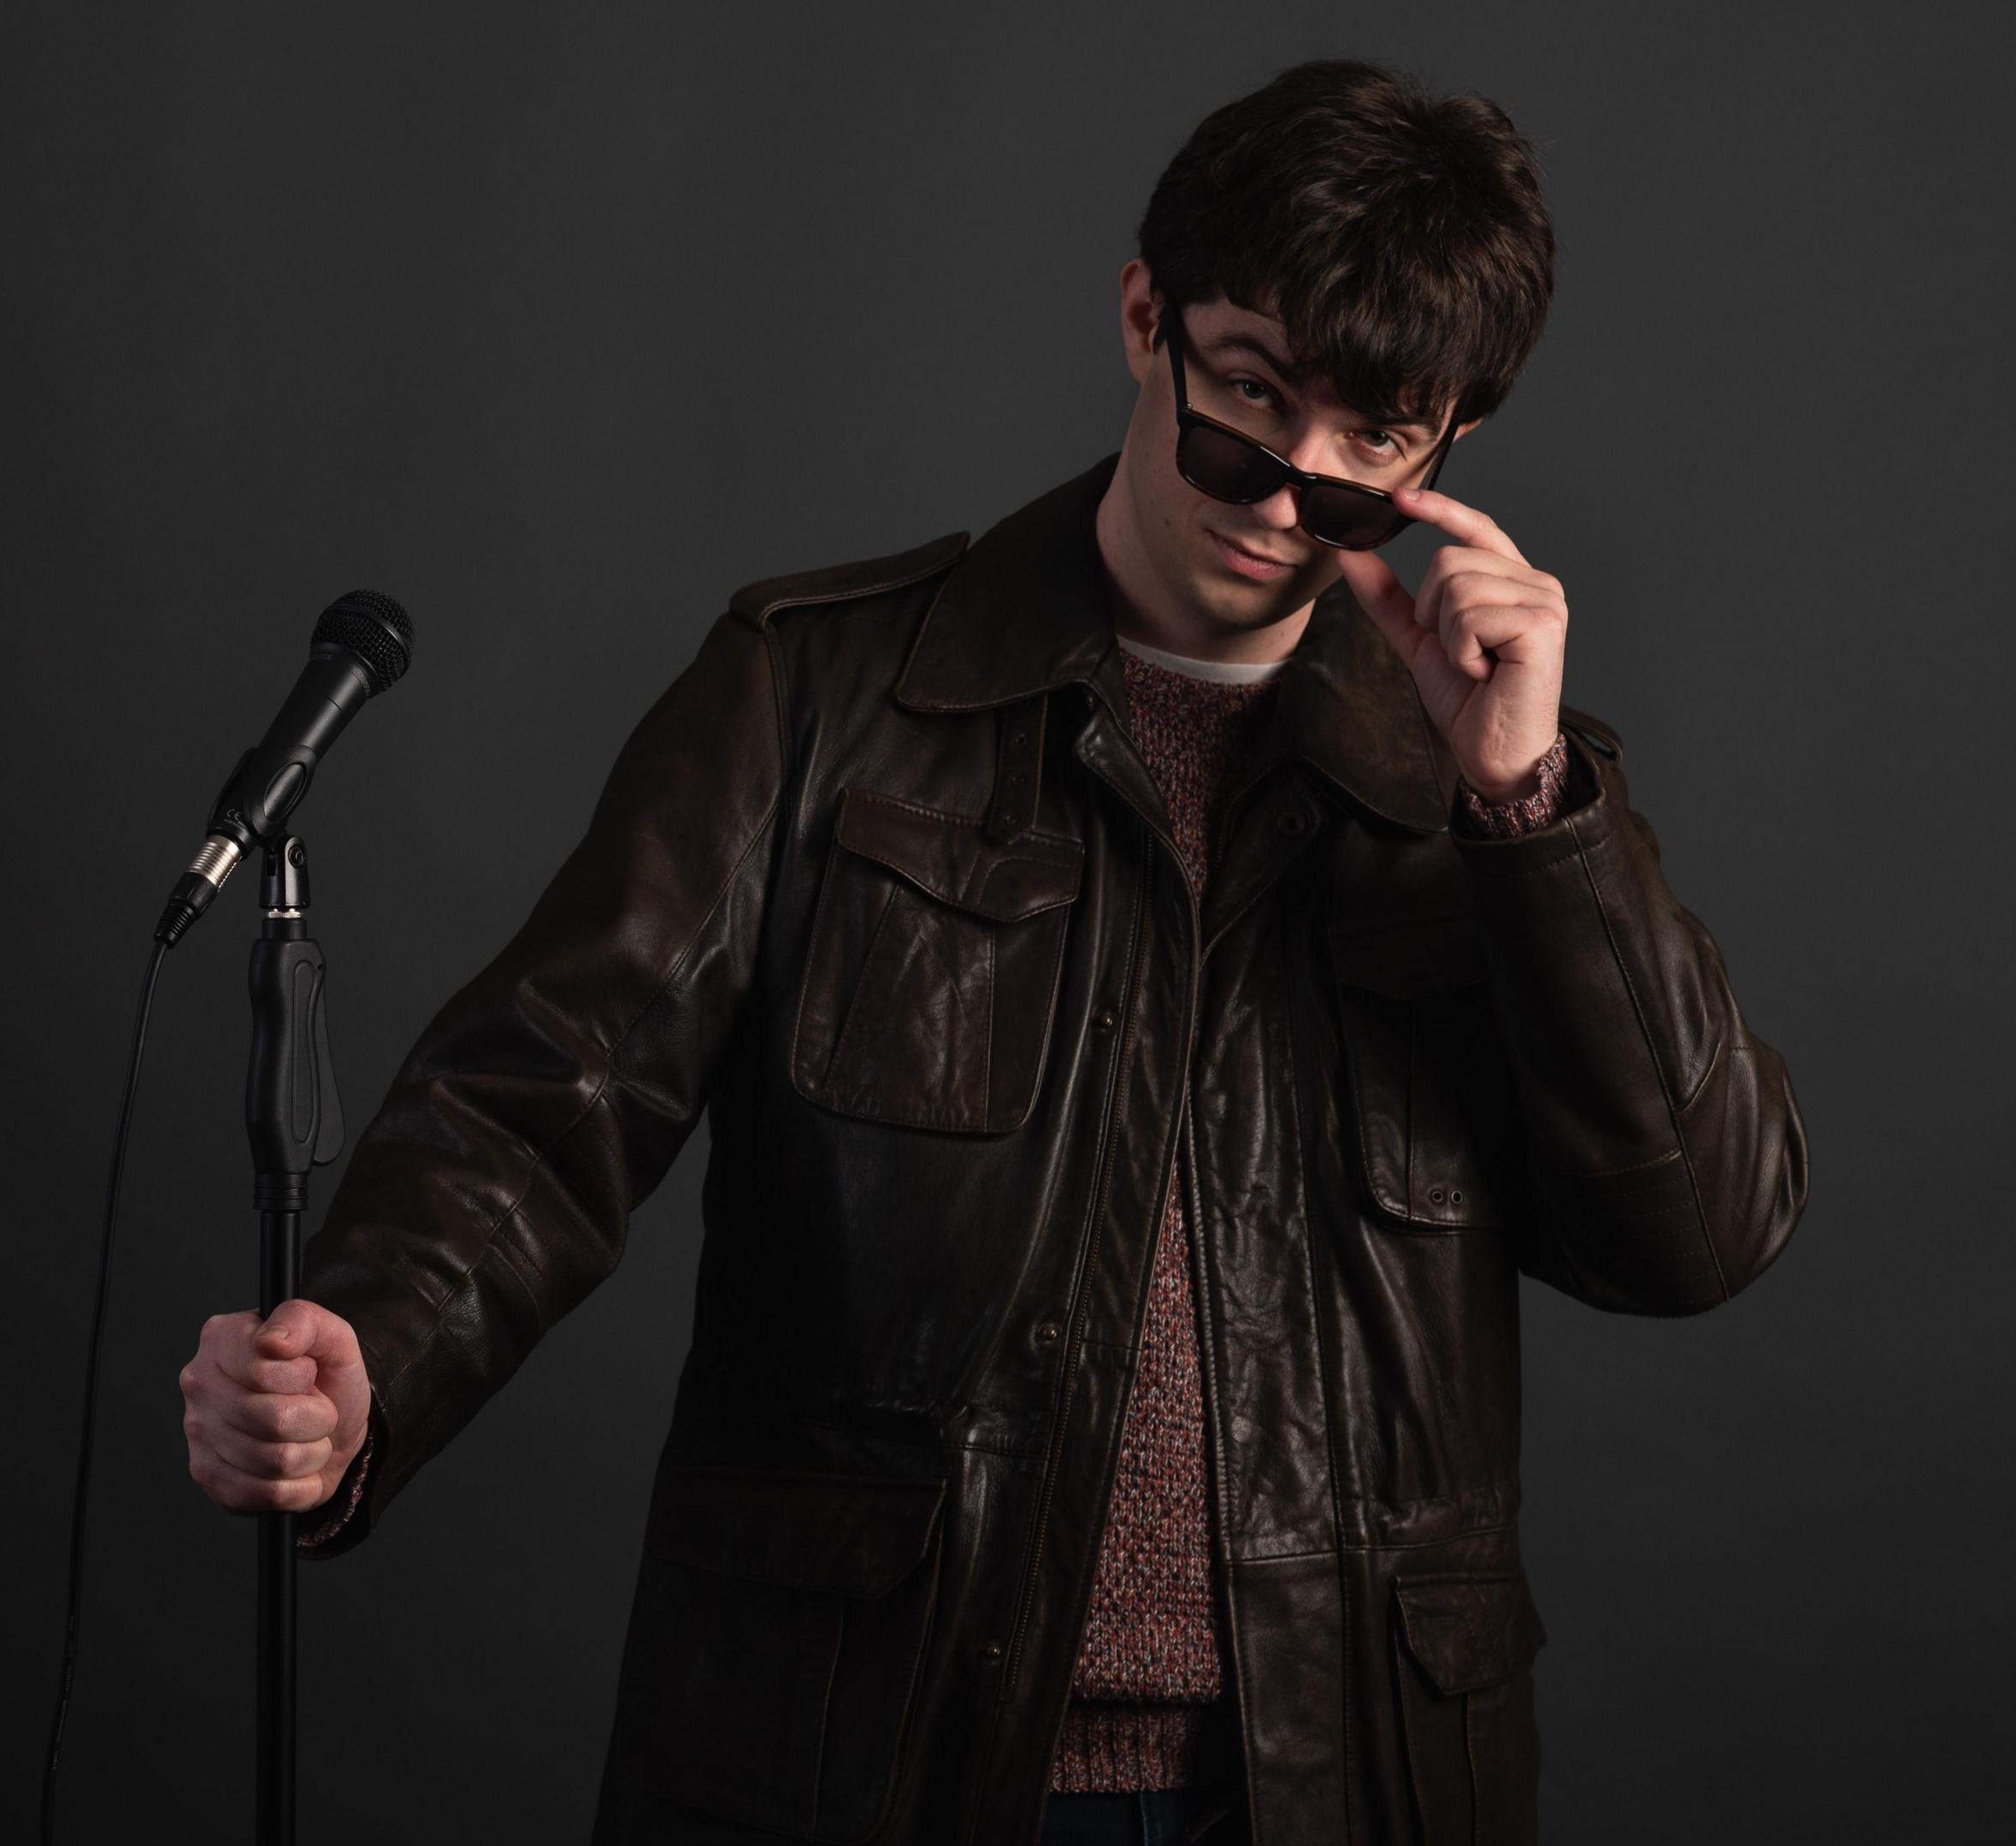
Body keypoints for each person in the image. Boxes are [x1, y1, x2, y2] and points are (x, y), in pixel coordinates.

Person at [176, 58, 1806, 1845]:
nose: (1286, 491)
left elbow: (1699, 1235)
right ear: (1144, 319)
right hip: (875, 1759)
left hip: (1351, 1785)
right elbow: (546, 1090)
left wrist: (1531, 812)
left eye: (1373, 448)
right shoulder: (821, 693)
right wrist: (364, 1353)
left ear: (1449, 452)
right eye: (1248, 399)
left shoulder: (1501, 797)